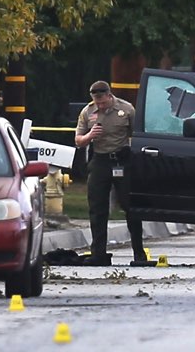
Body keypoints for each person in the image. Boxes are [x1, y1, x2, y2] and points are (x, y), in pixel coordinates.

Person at [74, 81, 146, 266]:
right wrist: (90, 136)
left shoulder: (126, 109)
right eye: (96, 102)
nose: (100, 105)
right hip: (100, 160)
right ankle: (98, 253)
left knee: (130, 206)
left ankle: (139, 253)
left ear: (109, 95)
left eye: (103, 101)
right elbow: (78, 140)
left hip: (122, 159)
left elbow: (137, 135)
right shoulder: (87, 112)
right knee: (97, 208)